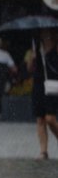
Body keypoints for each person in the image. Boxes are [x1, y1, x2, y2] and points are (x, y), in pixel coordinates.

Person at [29, 28, 58, 160]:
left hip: (53, 83)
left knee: (50, 119)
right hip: (39, 83)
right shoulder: (35, 44)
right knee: (40, 119)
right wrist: (33, 58)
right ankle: (43, 152)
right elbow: (29, 68)